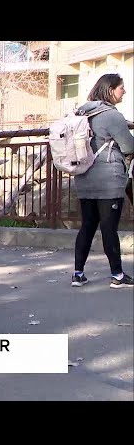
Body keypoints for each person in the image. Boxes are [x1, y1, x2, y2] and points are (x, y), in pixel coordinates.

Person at [71, 73, 134, 288]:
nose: (124, 91)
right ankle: (117, 275)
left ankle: (78, 274)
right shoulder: (112, 116)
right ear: (110, 90)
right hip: (108, 181)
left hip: (84, 178)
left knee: (87, 226)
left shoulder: (82, 113)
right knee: (109, 228)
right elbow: (129, 147)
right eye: (121, 88)